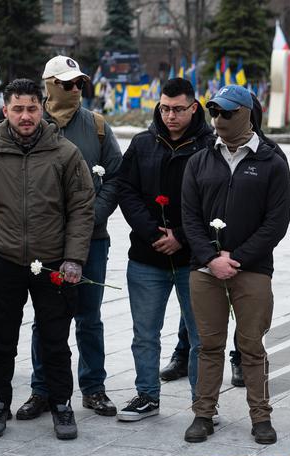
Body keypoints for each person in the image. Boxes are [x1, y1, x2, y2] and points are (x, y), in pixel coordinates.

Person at [0, 78, 95, 440]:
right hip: (2, 260)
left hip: (53, 264)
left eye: (32, 108)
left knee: (55, 340)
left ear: (42, 109)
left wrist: (73, 258)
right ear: (6, 110)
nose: (25, 116)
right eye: (18, 109)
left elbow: (81, 207)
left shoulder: (64, 154)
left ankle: (62, 405)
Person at [181, 85, 290, 444]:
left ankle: (261, 416)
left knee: (251, 346)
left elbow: (276, 222)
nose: (219, 119)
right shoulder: (200, 159)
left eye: (228, 113)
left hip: (253, 269)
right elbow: (190, 217)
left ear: (247, 114)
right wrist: (211, 258)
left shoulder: (272, 161)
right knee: (208, 345)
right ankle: (203, 413)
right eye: (215, 112)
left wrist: (239, 258)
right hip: (205, 270)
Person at [15, 55, 122, 422]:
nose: (75, 89)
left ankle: (93, 388)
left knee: (89, 317)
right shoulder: (29, 124)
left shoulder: (97, 126)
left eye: (79, 83)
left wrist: (94, 215)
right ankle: (41, 389)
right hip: (44, 243)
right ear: (48, 85)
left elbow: (117, 178)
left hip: (92, 239)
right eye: (67, 83)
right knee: (45, 317)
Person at [115, 77, 213, 421]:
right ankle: (146, 396)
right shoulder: (143, 144)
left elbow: (215, 201)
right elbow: (124, 189)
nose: (170, 116)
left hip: (195, 258)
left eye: (178, 109)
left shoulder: (209, 146)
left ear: (193, 108)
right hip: (146, 254)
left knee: (201, 336)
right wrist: (149, 230)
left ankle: (204, 403)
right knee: (145, 334)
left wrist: (183, 235)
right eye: (165, 108)